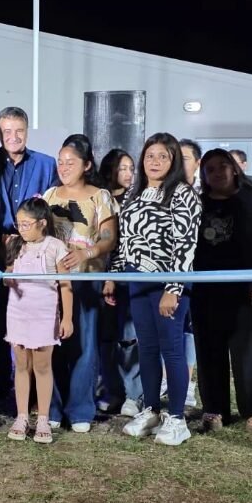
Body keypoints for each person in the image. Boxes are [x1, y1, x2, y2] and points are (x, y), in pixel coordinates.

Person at [107, 132, 201, 446]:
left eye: (163, 156)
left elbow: (186, 245)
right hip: (136, 281)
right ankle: (151, 409)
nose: (155, 162)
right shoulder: (135, 194)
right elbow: (125, 241)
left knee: (171, 349)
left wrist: (174, 289)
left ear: (173, 160)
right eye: (150, 156)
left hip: (166, 282)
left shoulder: (183, 194)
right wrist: (115, 275)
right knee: (146, 347)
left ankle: (177, 418)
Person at [191, 149, 252, 433]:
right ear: (203, 175)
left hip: (243, 288)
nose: (218, 173)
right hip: (204, 289)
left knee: (245, 350)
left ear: (234, 169)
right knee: (208, 349)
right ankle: (214, 409)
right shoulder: (196, 203)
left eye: (223, 166)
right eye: (211, 169)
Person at [0, 106, 57, 408]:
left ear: (27, 131)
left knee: (35, 317)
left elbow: (52, 212)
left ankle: (40, 392)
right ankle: (0, 387)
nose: (13, 137)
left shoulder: (46, 164)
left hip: (34, 251)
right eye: (6, 131)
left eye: (19, 131)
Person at [42, 134, 118, 433]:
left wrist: (88, 252)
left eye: (70, 162)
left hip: (86, 279)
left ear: (86, 165)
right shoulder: (49, 196)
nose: (64, 167)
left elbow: (109, 237)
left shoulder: (100, 197)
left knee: (85, 346)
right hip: (51, 282)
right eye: (60, 162)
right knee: (52, 343)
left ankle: (81, 410)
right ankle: (52, 407)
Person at [3, 197, 74, 444]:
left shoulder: (56, 247)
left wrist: (67, 318)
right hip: (18, 314)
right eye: (18, 223)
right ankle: (22, 416)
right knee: (21, 365)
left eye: (26, 224)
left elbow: (66, 285)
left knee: (43, 366)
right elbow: (7, 278)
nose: (20, 228)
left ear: (41, 223)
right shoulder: (14, 244)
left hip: (44, 315)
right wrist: (4, 276)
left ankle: (43, 418)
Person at [97, 149, 143, 417]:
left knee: (128, 337)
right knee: (105, 339)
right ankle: (110, 390)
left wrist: (113, 276)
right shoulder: (100, 199)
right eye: (122, 168)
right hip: (99, 277)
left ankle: (133, 394)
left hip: (125, 276)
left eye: (130, 169)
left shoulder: (134, 202)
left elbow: (124, 245)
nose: (127, 174)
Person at [174, 139, 203, 407]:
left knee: (191, 331)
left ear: (197, 162)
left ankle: (189, 384)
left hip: (196, 274)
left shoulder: (205, 195)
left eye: (184, 157)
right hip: (168, 275)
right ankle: (167, 382)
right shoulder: (163, 193)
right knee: (171, 328)